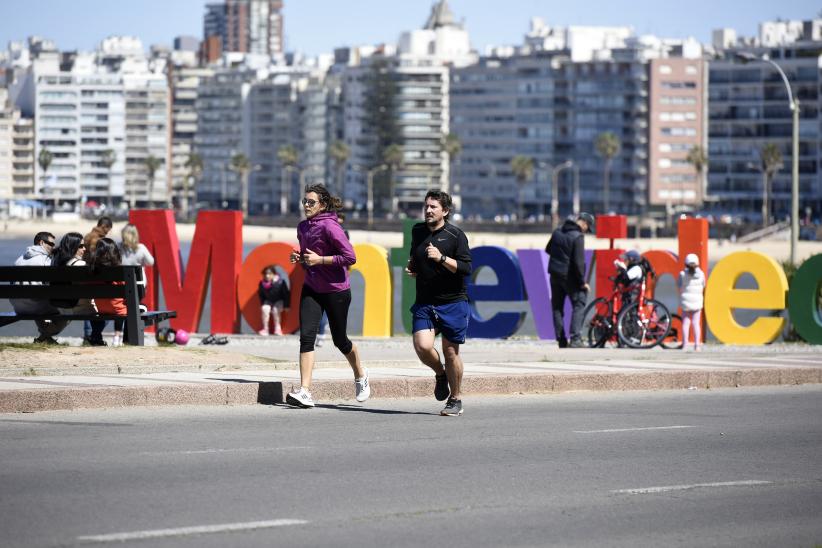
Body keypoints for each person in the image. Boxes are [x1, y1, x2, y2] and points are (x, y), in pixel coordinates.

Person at [286, 184, 369, 408]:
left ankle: (360, 375)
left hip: (336, 290)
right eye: (304, 201)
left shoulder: (332, 228)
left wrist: (321, 260)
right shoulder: (302, 227)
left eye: (311, 202)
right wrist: (300, 257)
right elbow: (308, 255)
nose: (306, 206)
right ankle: (305, 391)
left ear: (322, 205)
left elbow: (350, 257)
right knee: (306, 337)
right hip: (312, 288)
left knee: (340, 341)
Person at [405, 190, 472, 416]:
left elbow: (465, 268)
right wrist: (413, 267)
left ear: (445, 211)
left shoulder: (456, 235)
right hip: (425, 301)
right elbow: (415, 255)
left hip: (453, 302)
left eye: (433, 207)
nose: (428, 210)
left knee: (451, 352)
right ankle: (440, 373)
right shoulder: (417, 230)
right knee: (422, 346)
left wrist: (442, 258)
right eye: (426, 206)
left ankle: (456, 399)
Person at [545, 212, 595, 348]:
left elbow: (548, 249)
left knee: (557, 308)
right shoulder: (578, 237)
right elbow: (578, 263)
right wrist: (582, 282)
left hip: (555, 275)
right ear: (584, 223)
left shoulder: (557, 232)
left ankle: (561, 340)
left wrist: (560, 257)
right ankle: (575, 339)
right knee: (579, 303)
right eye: (587, 228)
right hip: (570, 277)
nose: (586, 231)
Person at [10, 231, 68, 344]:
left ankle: (45, 337)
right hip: (36, 306)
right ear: (41, 242)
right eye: (51, 244)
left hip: (18, 307)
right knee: (70, 310)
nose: (53, 247)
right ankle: (45, 335)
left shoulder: (19, 259)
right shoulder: (46, 261)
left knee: (38, 300)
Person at [50, 232, 106, 346]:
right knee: (100, 312)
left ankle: (44, 336)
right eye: (81, 246)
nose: (84, 249)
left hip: (58, 306)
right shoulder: (80, 264)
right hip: (74, 307)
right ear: (72, 247)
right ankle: (95, 338)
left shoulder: (56, 262)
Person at [116, 223, 155, 346]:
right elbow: (151, 262)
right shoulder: (141, 248)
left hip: (120, 286)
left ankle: (117, 336)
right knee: (133, 308)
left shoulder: (118, 247)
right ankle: (128, 337)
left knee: (121, 307)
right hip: (138, 287)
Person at [92, 238, 130, 345]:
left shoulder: (92, 270)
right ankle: (127, 340)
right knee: (136, 307)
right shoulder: (118, 272)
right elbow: (127, 292)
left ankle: (96, 337)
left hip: (100, 308)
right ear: (114, 252)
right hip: (118, 310)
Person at [82, 216, 113, 343]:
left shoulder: (87, 236)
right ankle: (93, 334)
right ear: (105, 227)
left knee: (89, 304)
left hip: (85, 277)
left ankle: (89, 334)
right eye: (109, 229)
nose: (109, 232)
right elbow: (97, 259)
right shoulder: (98, 239)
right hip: (96, 276)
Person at [678, 253, 706, 352]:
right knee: (696, 323)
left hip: (686, 301)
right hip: (697, 301)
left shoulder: (682, 274)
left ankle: (685, 344)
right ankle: (697, 345)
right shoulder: (701, 274)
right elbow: (703, 286)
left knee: (686, 323)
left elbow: (680, 287)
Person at [258, 265, 289, 336]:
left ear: (274, 274)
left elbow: (286, 294)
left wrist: (287, 305)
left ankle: (278, 329)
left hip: (279, 301)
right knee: (265, 309)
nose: (267, 276)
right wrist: (263, 303)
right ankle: (265, 329)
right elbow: (261, 295)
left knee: (275, 310)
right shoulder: (262, 283)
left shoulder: (280, 282)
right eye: (265, 274)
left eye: (269, 274)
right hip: (268, 301)